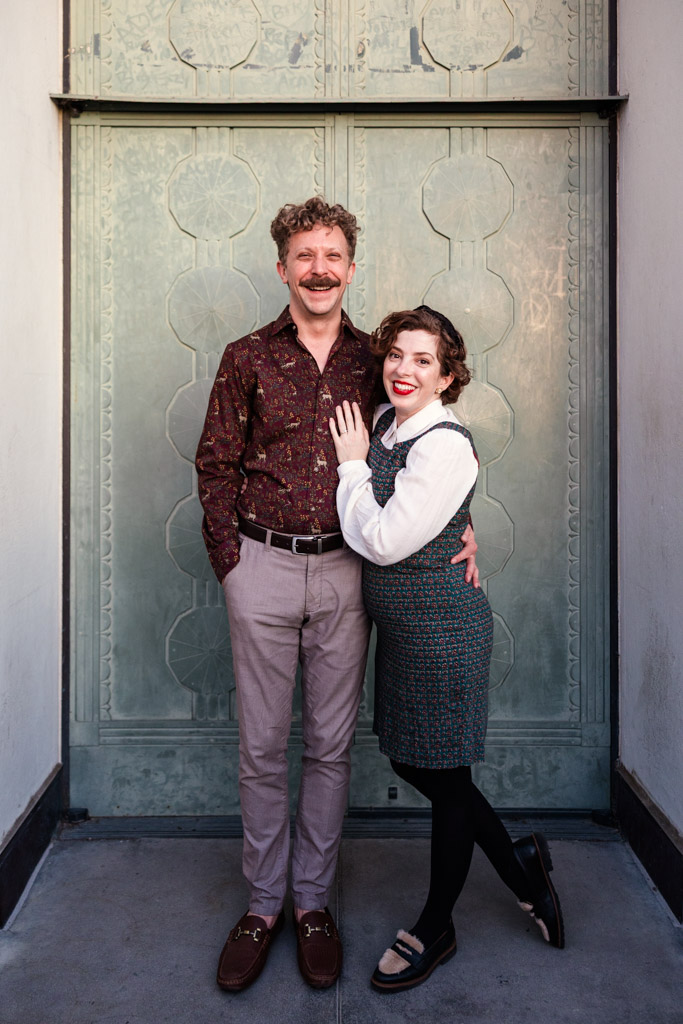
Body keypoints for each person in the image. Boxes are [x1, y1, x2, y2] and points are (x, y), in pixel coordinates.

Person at [195, 198, 479, 992]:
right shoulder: (246, 356)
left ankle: (312, 904)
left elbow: (427, 447)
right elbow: (215, 464)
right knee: (260, 749)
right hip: (263, 566)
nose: (318, 268)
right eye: (303, 254)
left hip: (352, 574)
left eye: (332, 255)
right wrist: (231, 563)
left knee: (326, 747)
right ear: (282, 266)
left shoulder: (377, 359)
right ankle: (262, 906)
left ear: (350, 268)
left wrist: (463, 525)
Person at [330, 306, 565, 993]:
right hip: (404, 631)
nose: (403, 369)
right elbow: (420, 512)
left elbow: (379, 540)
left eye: (422, 360)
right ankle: (519, 862)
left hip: (442, 632)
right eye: (395, 354)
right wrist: (462, 527)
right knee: (412, 758)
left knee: (447, 777)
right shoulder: (388, 422)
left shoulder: (442, 443)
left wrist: (348, 470)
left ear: (448, 374)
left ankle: (436, 925)